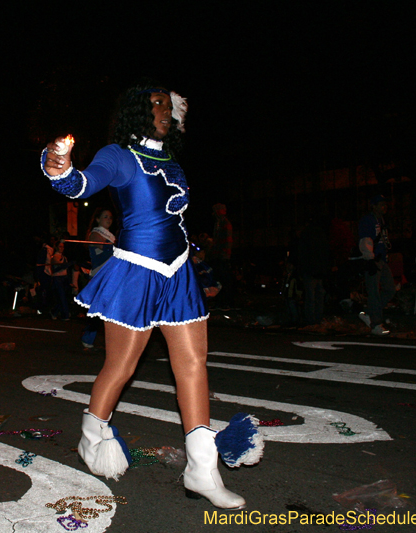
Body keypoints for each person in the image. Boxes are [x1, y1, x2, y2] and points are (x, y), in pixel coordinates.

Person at [42, 82, 257, 509]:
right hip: (138, 272)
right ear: (138, 112)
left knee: (195, 365)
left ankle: (202, 470)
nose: (165, 110)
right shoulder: (119, 155)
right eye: (155, 104)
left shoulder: (172, 159)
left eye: (168, 105)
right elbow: (83, 185)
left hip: (179, 273)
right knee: (121, 365)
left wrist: (181, 109)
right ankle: (91, 436)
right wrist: (59, 168)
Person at [358, 195, 395, 336]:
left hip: (381, 259)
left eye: (384, 204)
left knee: (389, 289)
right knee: (374, 292)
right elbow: (365, 239)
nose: (384, 207)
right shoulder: (368, 220)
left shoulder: (381, 220)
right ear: (373, 206)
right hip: (373, 260)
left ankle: (369, 313)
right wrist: (369, 258)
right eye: (381, 204)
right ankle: (376, 323)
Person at [81, 208, 115, 348]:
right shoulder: (95, 233)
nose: (108, 219)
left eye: (110, 217)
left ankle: (115, 341)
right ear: (97, 219)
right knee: (98, 309)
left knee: (111, 308)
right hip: (100, 275)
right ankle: (88, 338)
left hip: (112, 274)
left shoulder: (111, 236)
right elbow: (104, 251)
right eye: (105, 216)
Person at [208, 203, 233, 308]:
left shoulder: (224, 224)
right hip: (219, 256)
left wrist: (223, 254)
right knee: (219, 279)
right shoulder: (219, 223)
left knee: (223, 279)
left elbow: (227, 241)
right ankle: (221, 301)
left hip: (221, 256)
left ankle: (225, 302)